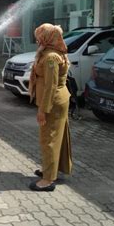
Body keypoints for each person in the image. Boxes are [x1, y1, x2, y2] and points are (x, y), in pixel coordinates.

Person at [28, 23, 72, 192]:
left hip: (53, 103)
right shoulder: (48, 52)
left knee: (49, 139)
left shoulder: (51, 57)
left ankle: (47, 180)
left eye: (39, 36)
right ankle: (51, 169)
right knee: (55, 138)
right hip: (55, 101)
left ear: (47, 37)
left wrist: (42, 110)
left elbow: (50, 86)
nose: (37, 39)